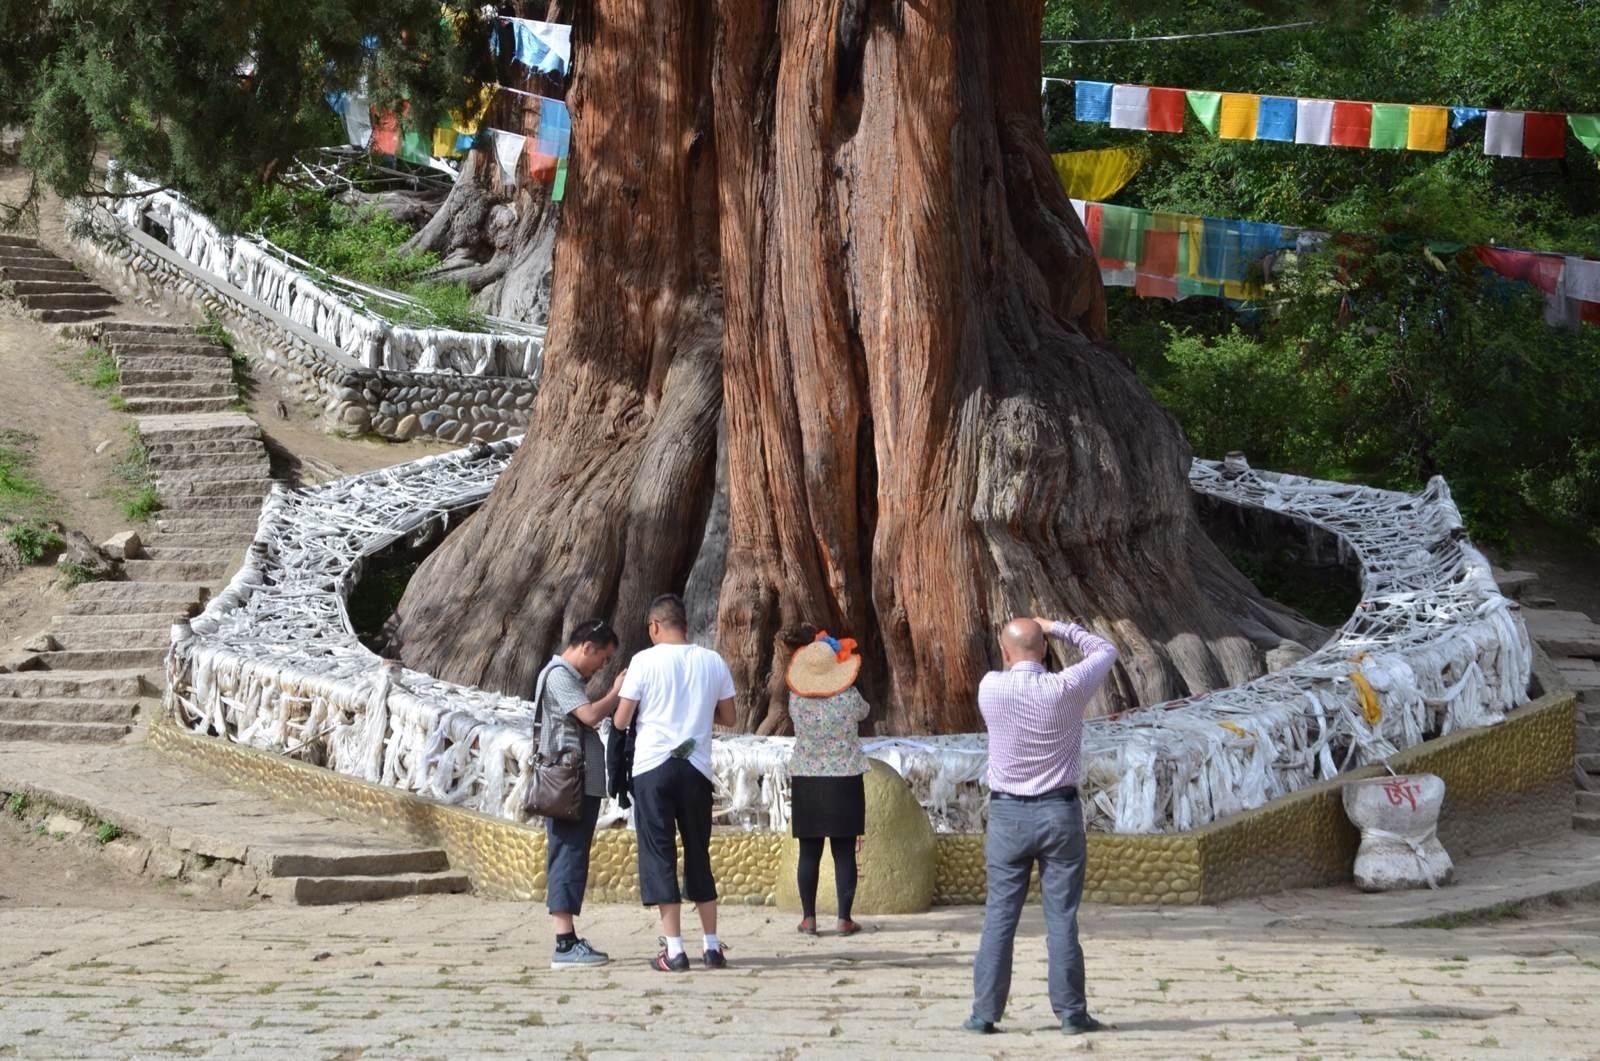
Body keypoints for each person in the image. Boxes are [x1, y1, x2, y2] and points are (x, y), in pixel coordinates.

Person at [965, 616, 1119, 1037]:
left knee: (999, 917)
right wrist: (1058, 626)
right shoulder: (1066, 688)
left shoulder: (990, 687)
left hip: (1008, 816)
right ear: (1045, 650)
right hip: (1059, 813)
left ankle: (984, 1014)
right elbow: (1106, 650)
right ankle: (1071, 1013)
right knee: (1061, 919)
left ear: (1005, 651)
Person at [613, 593, 736, 972]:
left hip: (653, 767)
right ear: (684, 625)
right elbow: (729, 717)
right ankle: (712, 946)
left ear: (654, 626)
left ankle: (675, 950)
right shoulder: (712, 661)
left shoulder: (643, 661)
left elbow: (620, 720)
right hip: (695, 766)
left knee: (659, 853)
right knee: (699, 851)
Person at [534, 619, 628, 969]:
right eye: (602, 658)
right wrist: (615, 692)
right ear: (588, 646)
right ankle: (564, 943)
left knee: (572, 854)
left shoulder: (569, 677)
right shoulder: (559, 675)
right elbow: (589, 716)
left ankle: (569, 938)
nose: (602, 666)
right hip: (568, 784)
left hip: (575, 783)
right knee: (567, 855)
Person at [784, 629, 871, 936]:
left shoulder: (796, 700)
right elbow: (865, 712)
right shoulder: (849, 698)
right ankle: (844, 919)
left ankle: (808, 919)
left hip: (807, 780)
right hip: (844, 779)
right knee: (844, 853)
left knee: (809, 853)